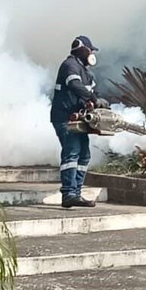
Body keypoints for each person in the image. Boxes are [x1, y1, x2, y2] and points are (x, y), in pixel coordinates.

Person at [50, 36, 108, 208]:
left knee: (84, 155)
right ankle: (68, 193)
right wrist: (92, 98)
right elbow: (75, 85)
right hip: (65, 118)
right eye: (90, 50)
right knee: (72, 153)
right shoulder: (70, 66)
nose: (92, 54)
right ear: (82, 50)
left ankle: (76, 192)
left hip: (79, 119)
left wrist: (93, 102)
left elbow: (89, 92)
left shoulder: (87, 73)